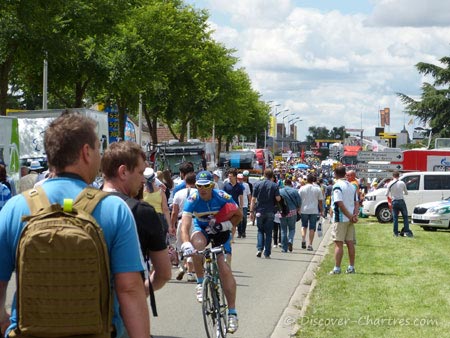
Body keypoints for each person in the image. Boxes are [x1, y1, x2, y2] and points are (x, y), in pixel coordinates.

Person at [0, 112, 150, 337]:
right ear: (86, 152)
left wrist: (4, 323)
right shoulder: (114, 209)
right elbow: (129, 288)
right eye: (98, 149)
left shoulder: (15, 208)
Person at [101, 141, 171, 292]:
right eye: (140, 173)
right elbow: (164, 273)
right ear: (123, 172)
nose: (143, 180)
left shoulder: (83, 205)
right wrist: (141, 292)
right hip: (124, 306)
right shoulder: (142, 212)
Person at [180, 171, 243, 334]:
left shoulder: (222, 196)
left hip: (221, 230)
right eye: (199, 186)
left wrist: (227, 225)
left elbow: (239, 215)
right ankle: (201, 282)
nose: (202, 189)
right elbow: (185, 224)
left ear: (212, 186)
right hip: (202, 229)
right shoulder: (193, 199)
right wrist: (186, 242)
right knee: (196, 246)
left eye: (206, 186)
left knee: (224, 268)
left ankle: (232, 313)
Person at [329, 166, 359, 275]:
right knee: (350, 243)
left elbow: (339, 203)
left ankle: (337, 268)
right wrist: (354, 215)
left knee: (338, 243)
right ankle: (351, 267)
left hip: (340, 218)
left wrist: (350, 215)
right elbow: (356, 202)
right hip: (350, 219)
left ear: (336, 174)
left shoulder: (337, 186)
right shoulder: (352, 186)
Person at [171, 172, 197, 282]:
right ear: (195, 182)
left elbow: (174, 212)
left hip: (182, 220)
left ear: (185, 181)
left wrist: (172, 225)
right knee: (193, 246)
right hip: (195, 220)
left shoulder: (178, 193)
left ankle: (182, 266)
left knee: (181, 245)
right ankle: (190, 272)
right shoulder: (198, 193)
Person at [249, 168, 281, 259]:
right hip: (270, 211)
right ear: (272, 176)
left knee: (260, 231)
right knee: (268, 232)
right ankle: (267, 253)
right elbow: (278, 198)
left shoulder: (257, 184)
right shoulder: (274, 185)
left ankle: (259, 249)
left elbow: (253, 199)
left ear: (264, 174)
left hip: (259, 211)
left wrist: (251, 211)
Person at [143, 167, 173, 236]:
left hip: (146, 219)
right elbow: (165, 209)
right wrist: (170, 226)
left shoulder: (141, 193)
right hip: (159, 219)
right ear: (154, 179)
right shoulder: (160, 192)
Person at [299, 174, 324, 251]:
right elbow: (320, 201)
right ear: (313, 180)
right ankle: (310, 244)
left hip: (304, 210)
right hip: (313, 210)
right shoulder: (317, 189)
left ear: (306, 180)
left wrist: (299, 209)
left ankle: (303, 239)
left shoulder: (302, 188)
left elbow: (299, 200)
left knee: (304, 226)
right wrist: (322, 210)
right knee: (312, 228)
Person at [386, 171, 413, 237]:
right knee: (405, 217)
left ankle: (395, 233)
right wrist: (401, 193)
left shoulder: (389, 183)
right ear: (399, 176)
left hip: (394, 201)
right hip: (401, 201)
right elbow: (406, 193)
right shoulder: (402, 183)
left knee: (395, 218)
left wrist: (391, 198)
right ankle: (406, 232)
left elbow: (386, 194)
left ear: (393, 176)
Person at [279, 178, 302, 253]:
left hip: (282, 212)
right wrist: (298, 208)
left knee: (283, 230)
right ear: (291, 184)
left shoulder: (280, 191)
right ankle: (290, 240)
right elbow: (299, 202)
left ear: (284, 183)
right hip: (292, 211)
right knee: (292, 229)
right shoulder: (295, 191)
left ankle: (284, 248)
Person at [237, 172, 251, 238]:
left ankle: (243, 232)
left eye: (241, 179)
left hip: (244, 204)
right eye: (239, 179)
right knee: (239, 219)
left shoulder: (246, 185)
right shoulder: (235, 185)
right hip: (237, 205)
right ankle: (239, 233)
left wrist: (250, 203)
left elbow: (249, 194)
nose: (240, 180)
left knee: (244, 218)